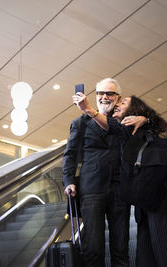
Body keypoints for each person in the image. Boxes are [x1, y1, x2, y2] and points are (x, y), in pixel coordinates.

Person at [73, 93, 167, 267]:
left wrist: (88, 109)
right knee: (145, 257)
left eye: (123, 102)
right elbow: (114, 128)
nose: (117, 105)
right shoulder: (125, 132)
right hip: (144, 202)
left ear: (135, 110)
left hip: (162, 198)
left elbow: (158, 125)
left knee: (166, 255)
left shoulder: (138, 126)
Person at [63, 78, 136, 267]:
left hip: (120, 190)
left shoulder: (125, 122)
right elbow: (70, 154)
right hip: (91, 190)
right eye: (100, 93)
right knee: (93, 249)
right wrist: (69, 181)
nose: (104, 97)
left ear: (118, 98)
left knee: (121, 248)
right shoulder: (80, 123)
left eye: (109, 93)